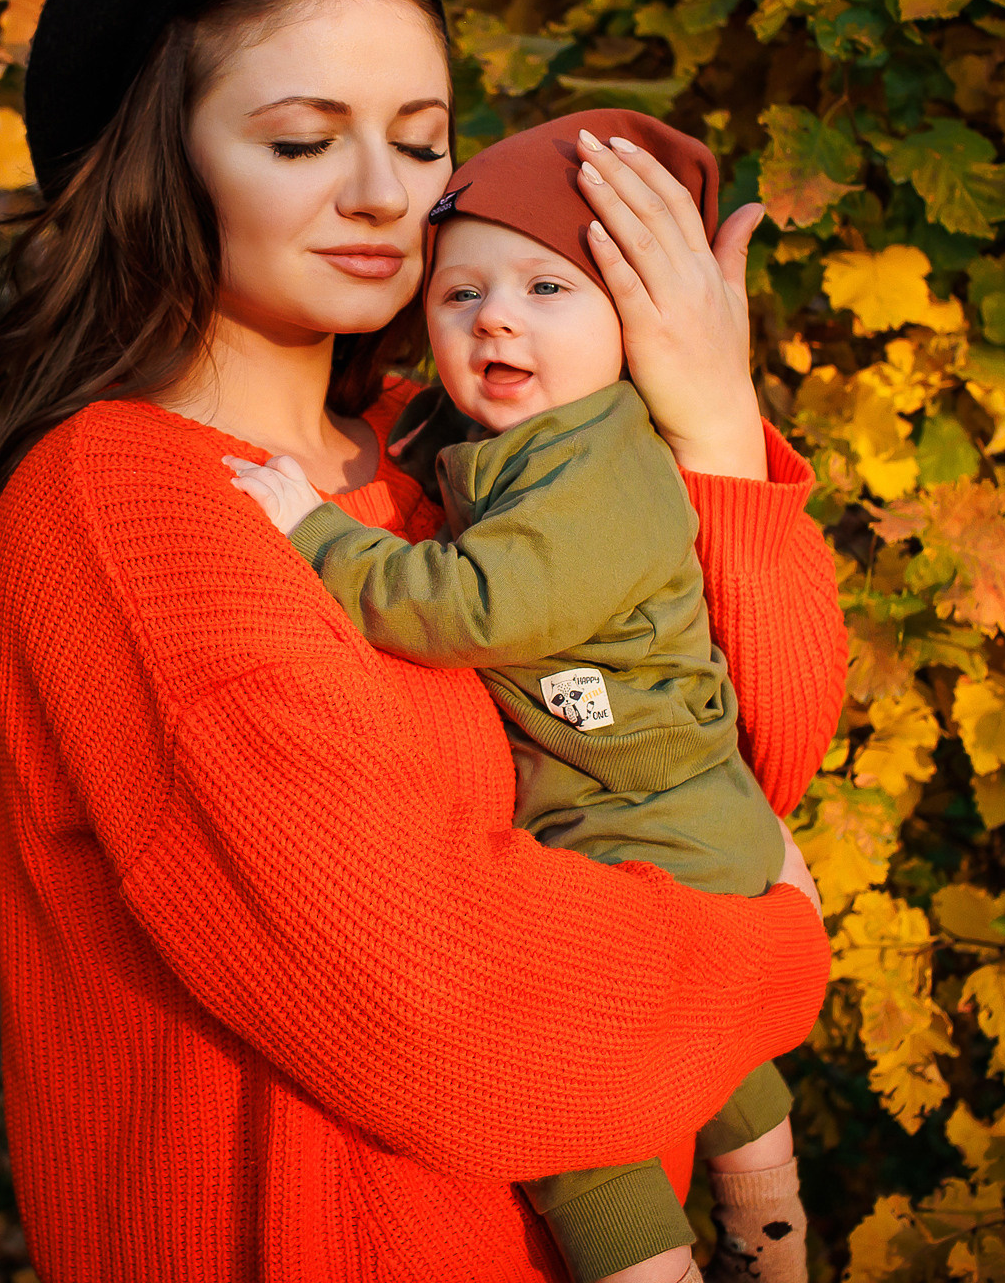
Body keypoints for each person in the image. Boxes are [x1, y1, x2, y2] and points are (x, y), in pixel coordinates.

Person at [0, 0, 850, 1282]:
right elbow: (445, 1006)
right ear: (154, 159)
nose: (382, 197)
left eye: (423, 145)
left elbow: (736, 766)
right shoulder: (131, 507)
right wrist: (775, 955)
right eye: (301, 141)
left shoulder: (431, 462)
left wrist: (712, 426)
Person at [226, 110, 814, 1283]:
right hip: (641, 811)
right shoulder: (506, 435)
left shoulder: (596, 461)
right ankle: (771, 1223)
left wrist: (314, 536)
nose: (496, 315)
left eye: (551, 286)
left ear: (632, 327)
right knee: (716, 1049)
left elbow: (474, 607)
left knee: (570, 1120)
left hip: (649, 821)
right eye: (461, 294)